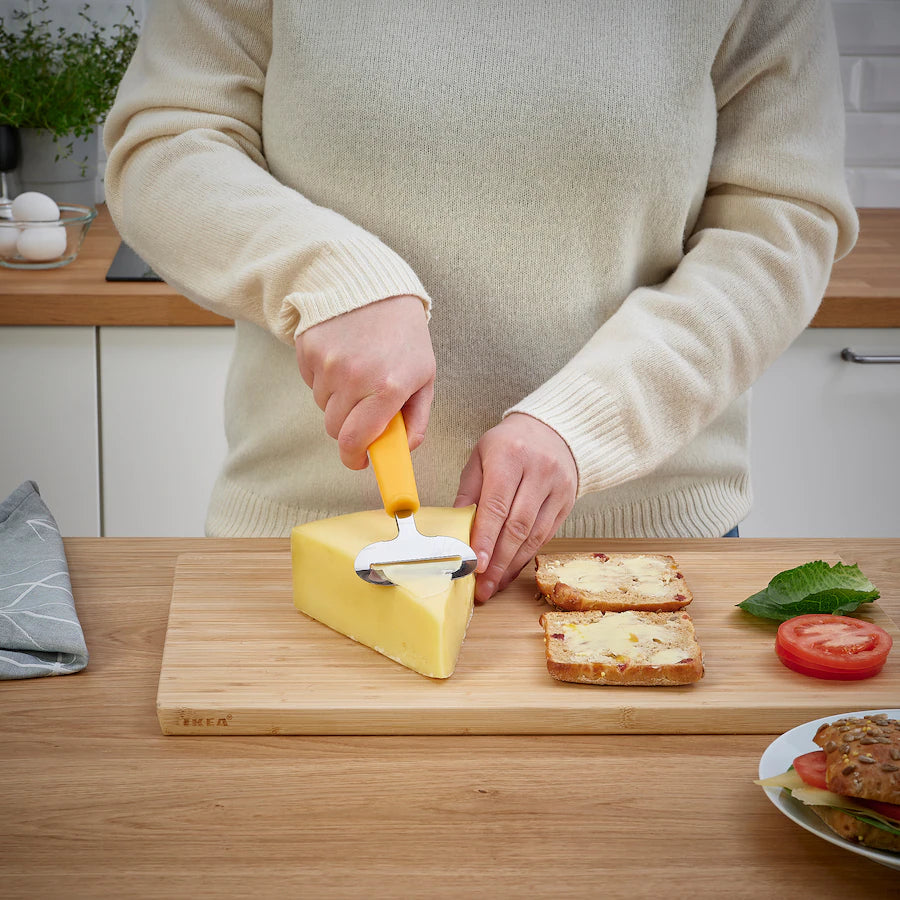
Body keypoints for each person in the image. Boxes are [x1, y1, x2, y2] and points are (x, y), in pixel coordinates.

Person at [104, 0, 857, 603]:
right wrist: (333, 277)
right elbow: (168, 143)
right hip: (304, 547)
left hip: (637, 555)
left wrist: (587, 422)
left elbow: (777, 221)